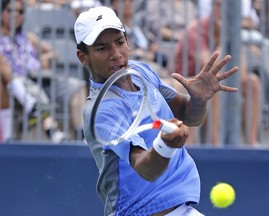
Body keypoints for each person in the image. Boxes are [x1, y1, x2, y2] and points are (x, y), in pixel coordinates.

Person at [75, 6, 238, 215]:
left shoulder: (140, 70)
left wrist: (198, 101)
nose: (115, 54)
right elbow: (146, 169)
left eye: (119, 42)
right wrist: (165, 144)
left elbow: (189, 115)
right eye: (101, 48)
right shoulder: (101, 110)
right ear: (83, 57)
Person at [174, 0, 261, 145]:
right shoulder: (195, 29)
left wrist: (233, 38)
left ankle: (252, 143)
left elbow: (242, 74)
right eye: (220, 5)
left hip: (211, 83)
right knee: (213, 87)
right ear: (213, 6)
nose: (226, 11)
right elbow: (208, 67)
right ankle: (215, 144)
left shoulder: (234, 31)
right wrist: (226, 39)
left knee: (253, 83)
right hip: (185, 81)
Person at [0, 0, 87, 141]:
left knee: (76, 86)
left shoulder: (27, 36)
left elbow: (54, 52)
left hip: (41, 77)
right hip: (16, 84)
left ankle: (81, 134)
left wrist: (46, 57)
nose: (15, 14)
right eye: (10, 10)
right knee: (31, 89)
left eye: (20, 11)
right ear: (2, 13)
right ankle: (51, 129)